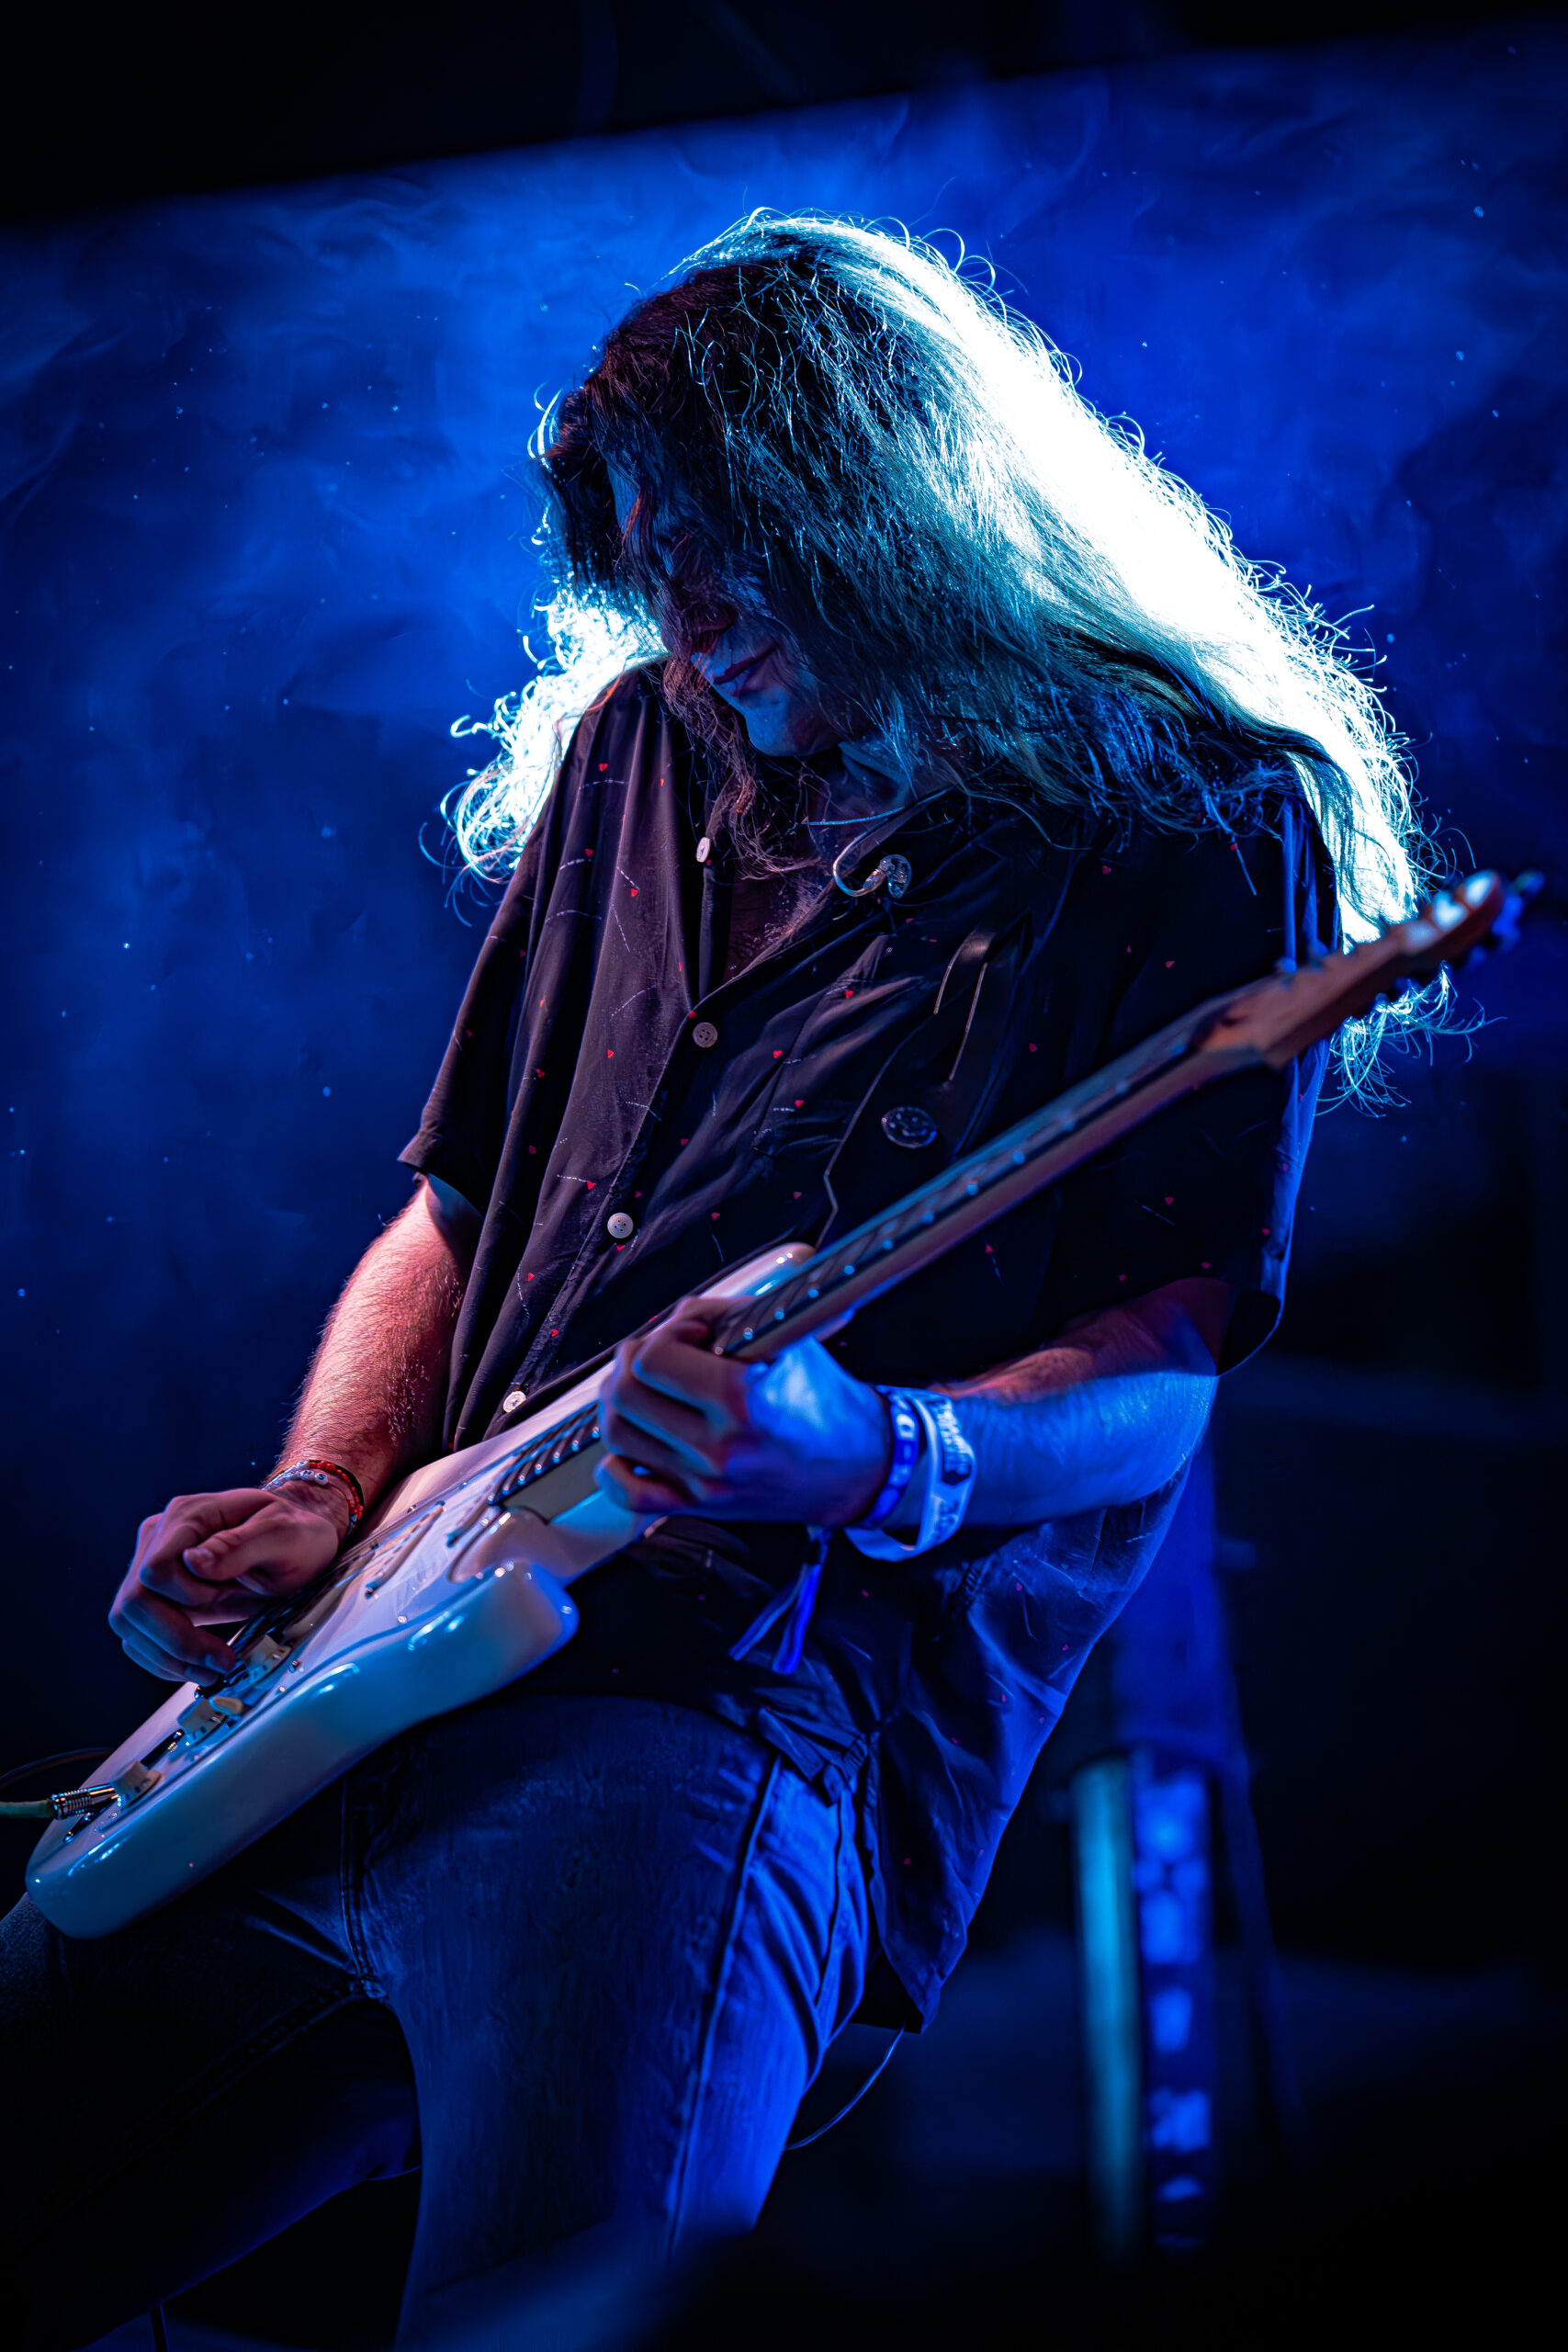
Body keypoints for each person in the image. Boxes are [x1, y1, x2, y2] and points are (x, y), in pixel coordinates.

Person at [0, 213, 1426, 2348]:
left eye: (726, 550)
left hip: (699, 1720)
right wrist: (318, 1493)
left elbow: (1162, 1346)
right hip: (344, 1691)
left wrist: (871, 1449)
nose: (681, 619)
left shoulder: (1193, 820)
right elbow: (454, 1212)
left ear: (885, 499)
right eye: (646, 560)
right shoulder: (630, 756)